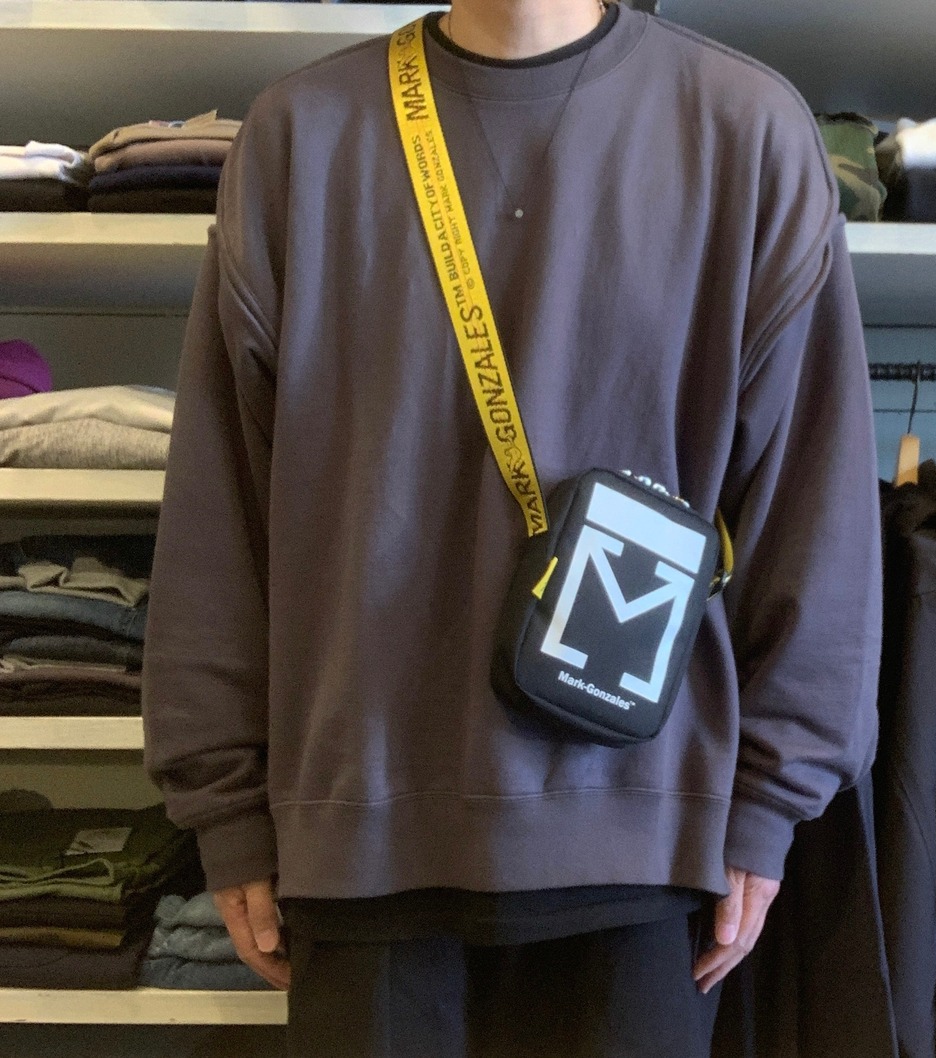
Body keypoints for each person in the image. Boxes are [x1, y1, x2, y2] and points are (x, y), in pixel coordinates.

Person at [140, 0, 882, 1054]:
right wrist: (223, 799)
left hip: (642, 841)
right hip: (366, 832)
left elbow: (814, 502)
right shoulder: (302, 134)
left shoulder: (745, 131)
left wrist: (771, 796)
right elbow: (220, 501)